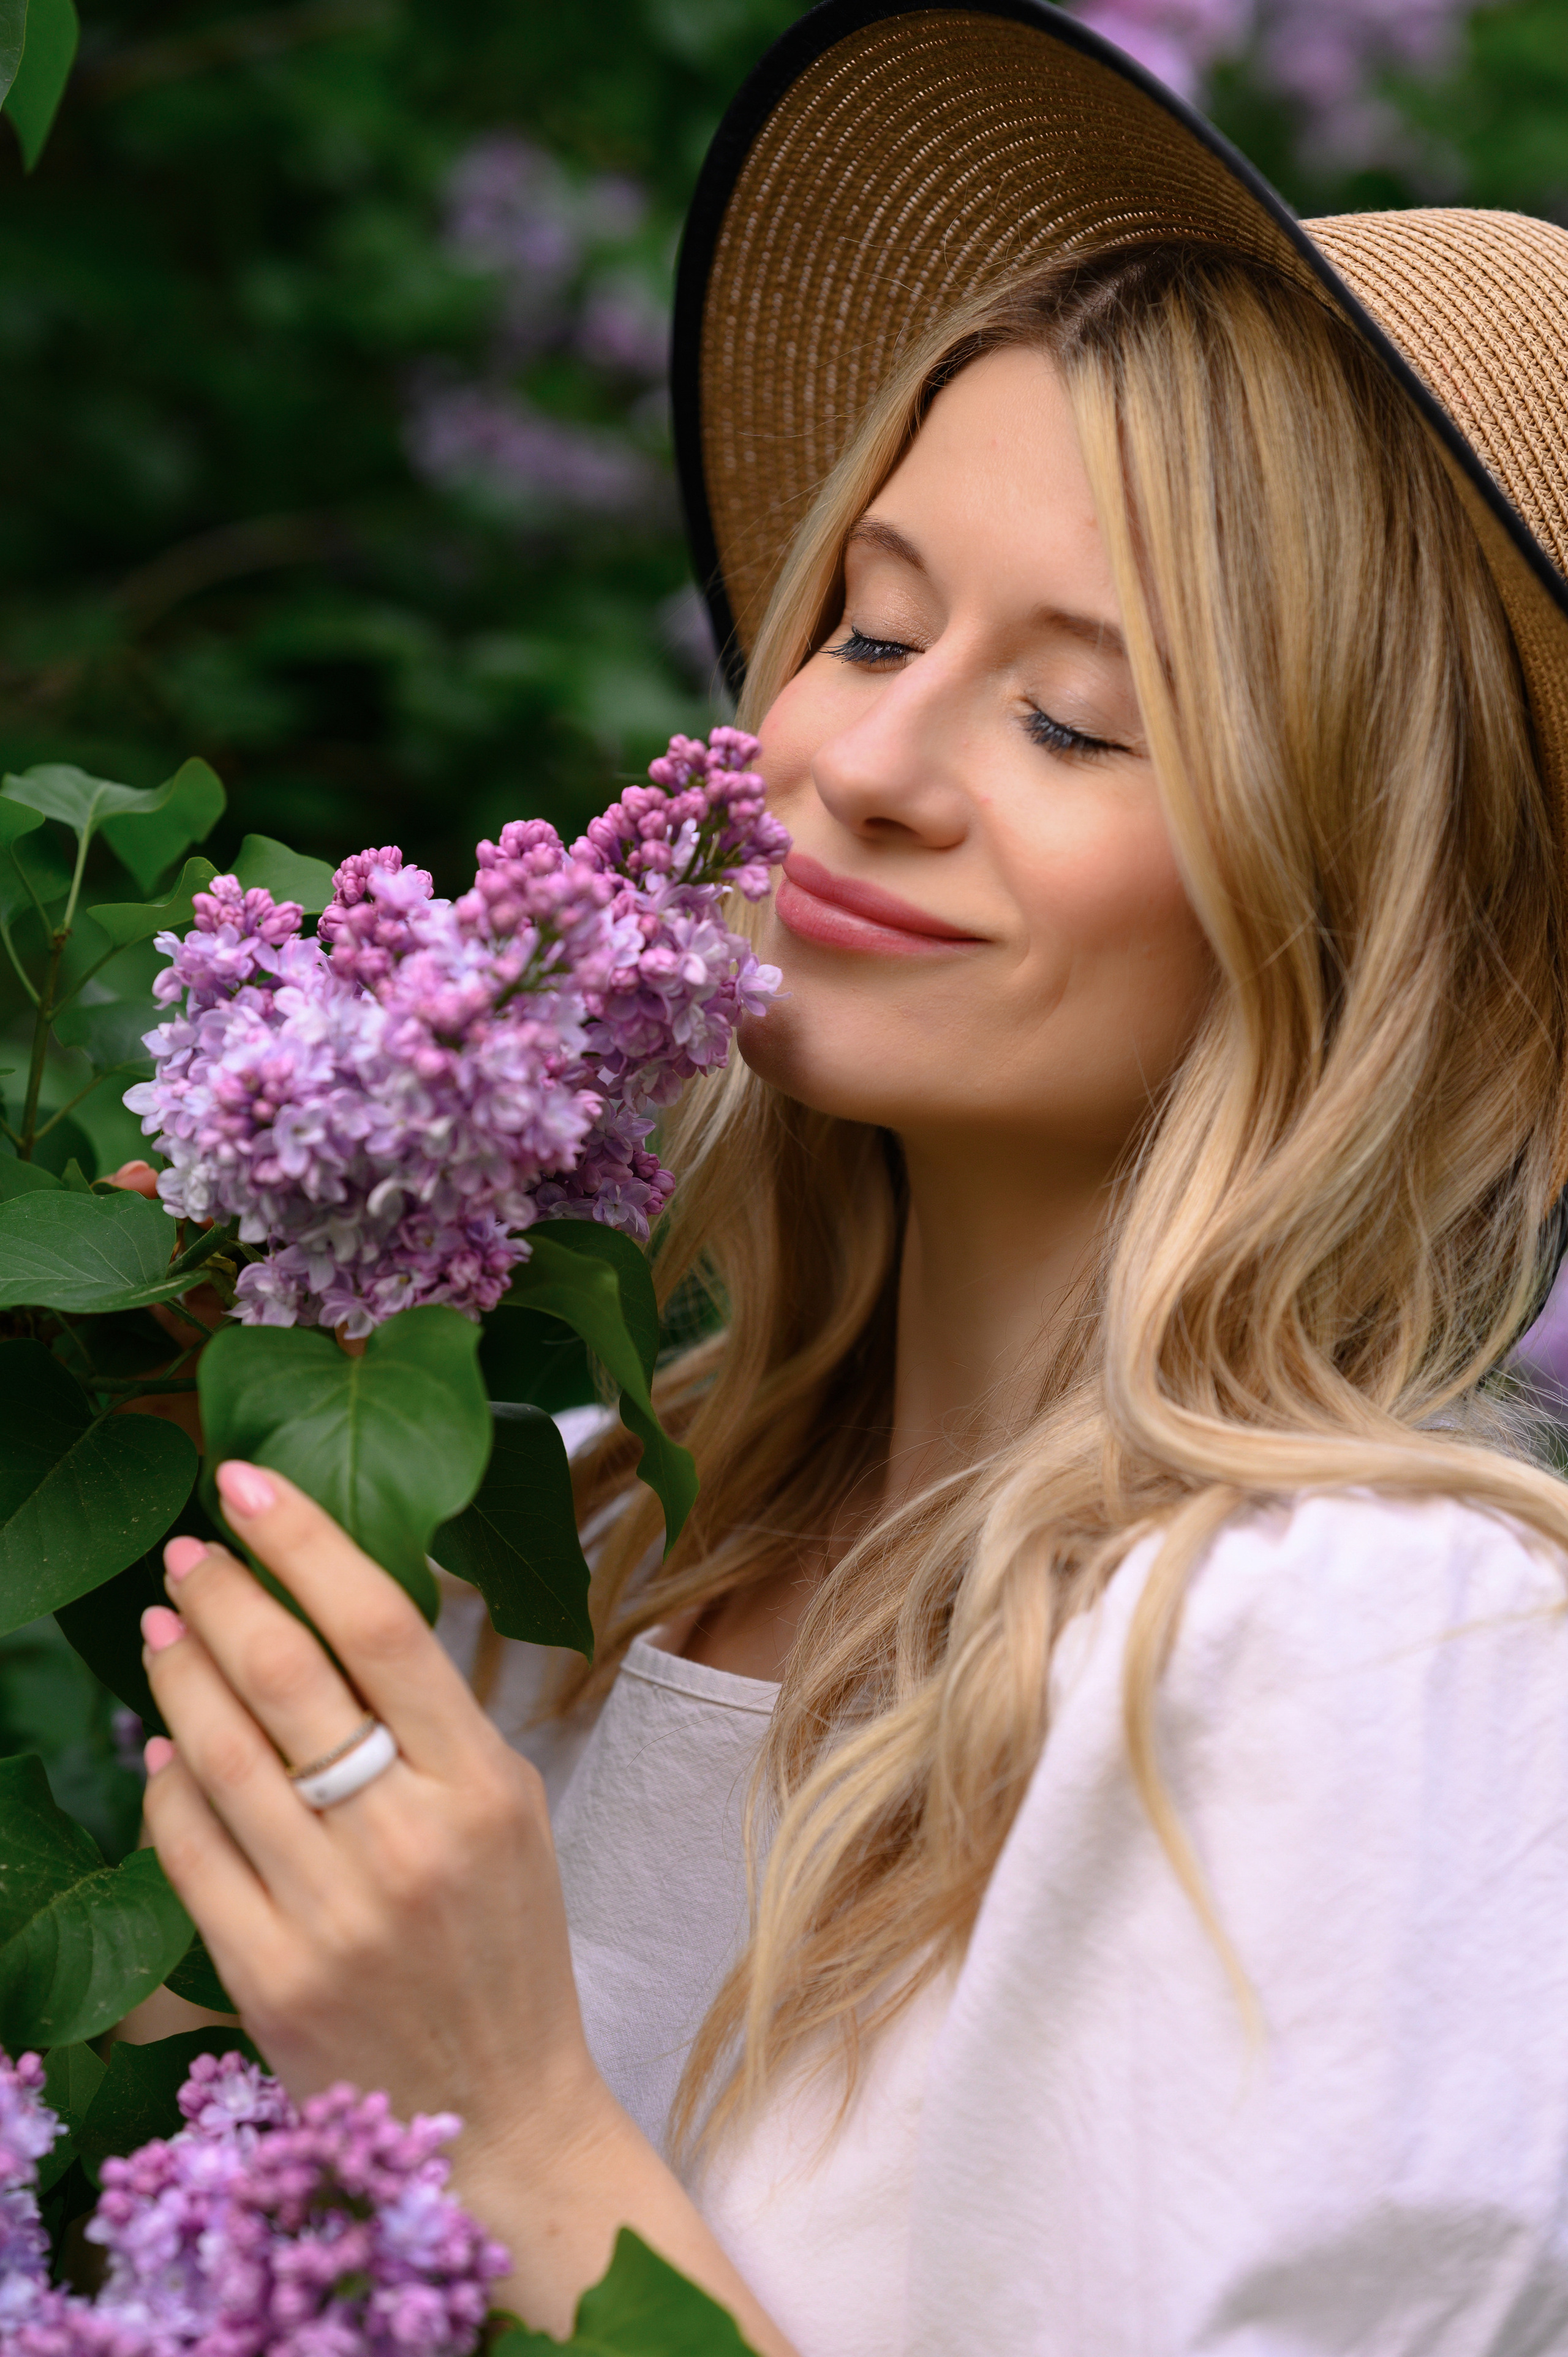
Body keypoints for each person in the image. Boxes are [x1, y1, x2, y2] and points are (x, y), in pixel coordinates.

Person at [131, 6, 1568, 2351]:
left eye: (1077, 715)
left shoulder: (1367, 1660)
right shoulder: (559, 1538)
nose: (867, 761)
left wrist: (509, 2125)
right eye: (869, 625)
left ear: (1367, 914)